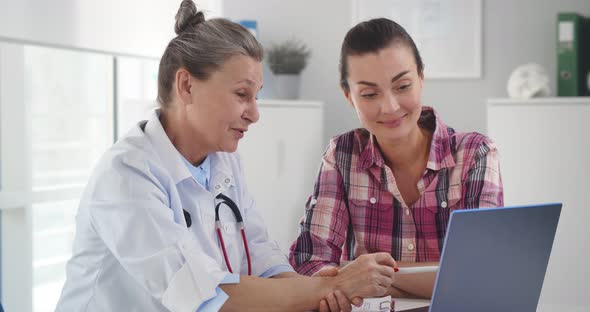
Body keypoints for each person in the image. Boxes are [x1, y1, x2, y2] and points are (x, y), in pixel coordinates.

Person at [55, 2, 398, 311]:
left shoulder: (222, 161)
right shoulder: (127, 175)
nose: (254, 114)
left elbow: (261, 254)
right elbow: (206, 296)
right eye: (241, 94)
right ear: (187, 86)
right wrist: (332, 285)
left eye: (256, 97)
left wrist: (320, 290)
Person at [289, 17, 504, 305]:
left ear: (421, 78)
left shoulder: (475, 154)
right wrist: (436, 279)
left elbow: (481, 275)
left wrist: (363, 278)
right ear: (349, 96)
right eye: (369, 93)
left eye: (402, 86)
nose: (390, 107)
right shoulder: (341, 155)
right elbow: (308, 262)